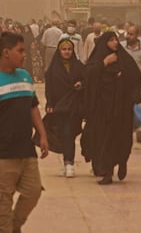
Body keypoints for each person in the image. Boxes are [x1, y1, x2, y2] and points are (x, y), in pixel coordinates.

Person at [0, 32, 48, 232]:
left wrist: (42, 134)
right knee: (2, 200)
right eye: (20, 50)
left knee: (33, 191)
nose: (24, 55)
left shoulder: (25, 77)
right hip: (1, 153)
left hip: (26, 149)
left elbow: (33, 108)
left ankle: (14, 226)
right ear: (6, 52)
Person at [81, 30, 141, 184]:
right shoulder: (97, 60)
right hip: (101, 109)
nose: (115, 42)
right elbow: (88, 75)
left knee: (120, 138)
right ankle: (106, 172)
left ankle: (121, 162)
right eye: (111, 40)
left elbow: (136, 76)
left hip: (120, 109)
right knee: (102, 139)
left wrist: (122, 79)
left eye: (116, 39)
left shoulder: (124, 59)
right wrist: (104, 63)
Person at [44, 37, 85, 178]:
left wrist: (81, 84)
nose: (67, 52)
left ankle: (69, 164)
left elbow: (87, 80)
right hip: (59, 106)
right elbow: (49, 87)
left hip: (74, 106)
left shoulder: (79, 66)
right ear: (59, 51)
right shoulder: (53, 69)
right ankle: (66, 163)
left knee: (69, 133)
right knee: (63, 134)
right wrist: (49, 103)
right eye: (64, 49)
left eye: (69, 49)